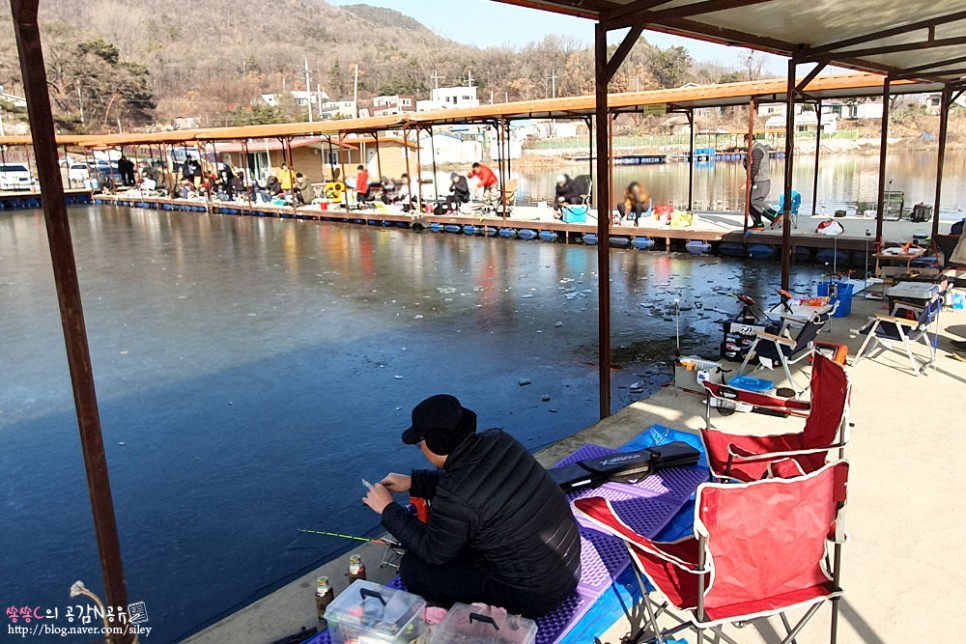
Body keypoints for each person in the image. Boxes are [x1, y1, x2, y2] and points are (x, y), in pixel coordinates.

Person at [362, 394, 581, 618]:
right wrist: (414, 482)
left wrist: (387, 509)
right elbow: (472, 484)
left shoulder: (457, 494)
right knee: (461, 537)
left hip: (533, 597)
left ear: (436, 443)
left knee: (413, 568)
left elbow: (433, 552)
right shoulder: (499, 440)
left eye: (420, 444)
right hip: (567, 572)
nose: (422, 449)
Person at [744, 134, 780, 230]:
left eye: (745, 142)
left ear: (747, 141)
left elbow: (755, 167)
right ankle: (758, 224)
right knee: (750, 202)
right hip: (758, 180)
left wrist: (749, 180)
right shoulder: (755, 149)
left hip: (761, 181)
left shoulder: (756, 150)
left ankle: (775, 216)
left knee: (755, 200)